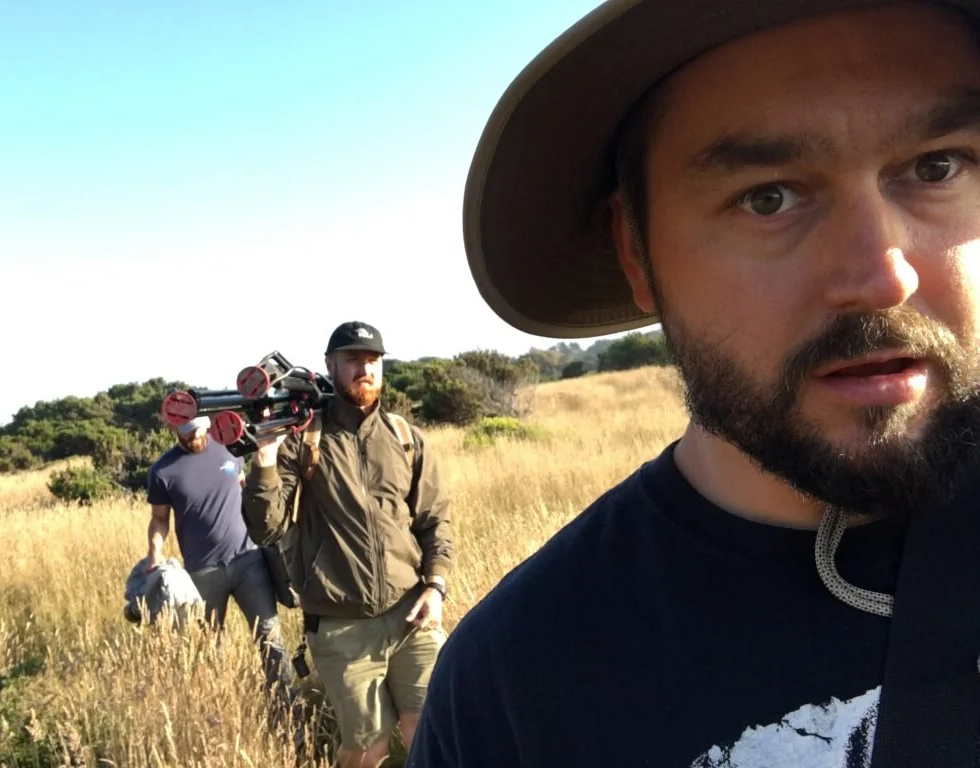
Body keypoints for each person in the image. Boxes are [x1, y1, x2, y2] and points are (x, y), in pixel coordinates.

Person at [406, 1, 980, 766]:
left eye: (937, 167)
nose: (884, 277)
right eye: (769, 197)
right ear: (635, 251)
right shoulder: (515, 684)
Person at [241, 320, 454, 768]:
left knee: (431, 728)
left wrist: (435, 586)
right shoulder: (304, 440)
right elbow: (266, 529)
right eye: (353, 359)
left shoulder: (405, 437)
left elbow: (435, 520)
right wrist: (264, 457)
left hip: (411, 612)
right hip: (342, 625)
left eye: (373, 360)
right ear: (330, 365)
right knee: (367, 747)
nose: (365, 369)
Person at [146, 415, 302, 734]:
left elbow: (245, 488)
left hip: (249, 562)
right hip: (202, 574)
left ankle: (290, 720)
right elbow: (160, 518)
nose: (194, 438)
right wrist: (155, 553)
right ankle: (220, 724)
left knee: (271, 640)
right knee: (209, 650)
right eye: (187, 433)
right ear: (173, 430)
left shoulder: (230, 450)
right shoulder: (163, 471)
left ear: (207, 424)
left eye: (198, 431)